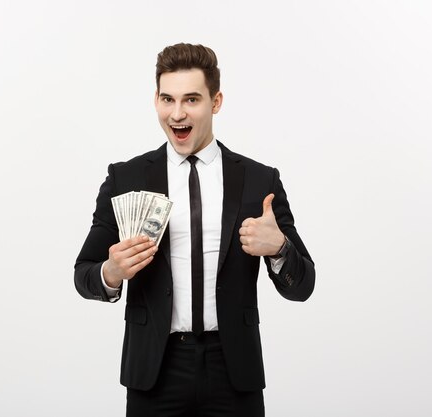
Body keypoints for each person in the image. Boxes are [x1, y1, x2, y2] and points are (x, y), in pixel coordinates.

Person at [74, 43, 315, 417]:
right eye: (167, 99)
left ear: (215, 102)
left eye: (191, 100)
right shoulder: (126, 178)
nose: (177, 113)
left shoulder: (258, 180)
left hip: (233, 369)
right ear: (156, 99)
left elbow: (303, 286)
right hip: (154, 369)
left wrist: (280, 248)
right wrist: (111, 273)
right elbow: (83, 274)